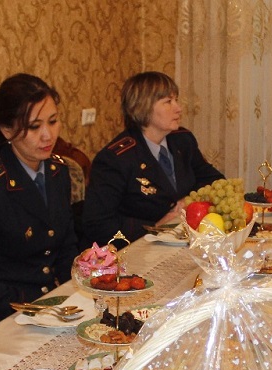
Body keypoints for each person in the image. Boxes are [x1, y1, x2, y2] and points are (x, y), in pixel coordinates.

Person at [0, 73, 80, 327]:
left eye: (53, 121)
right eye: (34, 127)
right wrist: (42, 312)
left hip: (53, 308)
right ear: (7, 130)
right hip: (3, 318)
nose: (48, 135)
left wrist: (77, 295)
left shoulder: (58, 172)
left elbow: (66, 248)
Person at [82, 71, 224, 246]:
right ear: (142, 108)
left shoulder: (182, 140)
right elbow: (97, 224)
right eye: (168, 102)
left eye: (176, 100)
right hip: (137, 247)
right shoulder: (116, 159)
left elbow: (214, 180)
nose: (178, 108)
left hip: (185, 241)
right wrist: (154, 227)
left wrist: (189, 200)